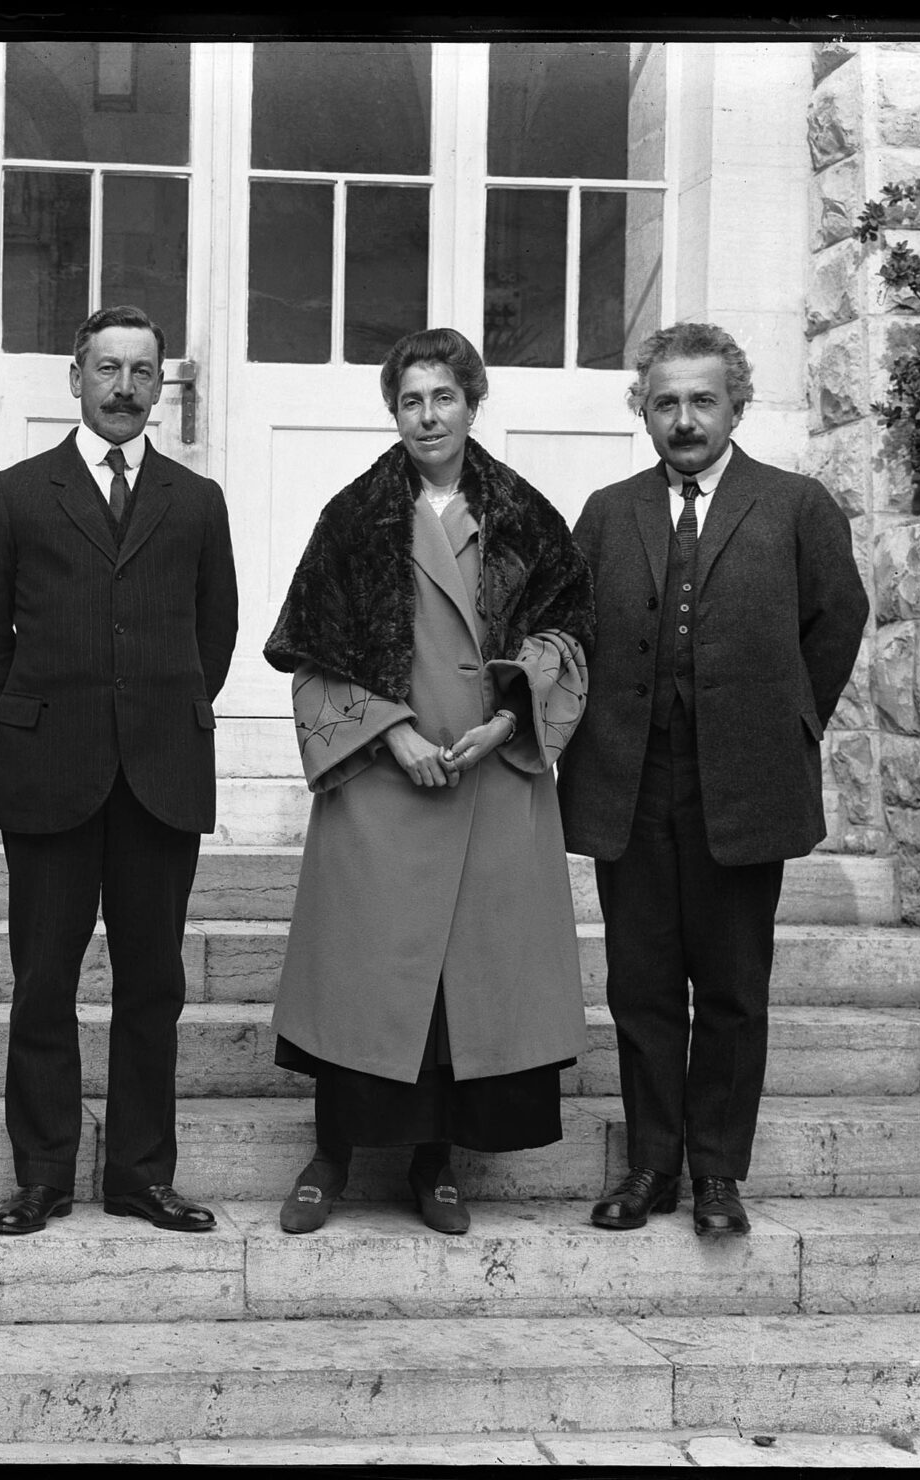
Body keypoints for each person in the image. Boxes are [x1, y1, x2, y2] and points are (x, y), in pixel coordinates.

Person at [261, 328, 594, 1236]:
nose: (428, 415)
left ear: (472, 402)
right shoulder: (354, 515)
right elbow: (310, 650)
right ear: (393, 412)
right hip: (382, 781)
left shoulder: (522, 511)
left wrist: (508, 718)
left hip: (488, 781)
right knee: (362, 979)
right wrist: (390, 731)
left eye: (444, 397)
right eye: (411, 401)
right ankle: (329, 1157)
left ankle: (435, 1166)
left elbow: (569, 634)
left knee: (459, 994)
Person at [558, 322, 868, 1238]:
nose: (684, 418)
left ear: (738, 403)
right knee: (641, 983)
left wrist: (787, 722)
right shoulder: (609, 512)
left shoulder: (795, 505)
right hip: (631, 780)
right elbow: (571, 633)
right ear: (643, 413)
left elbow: (836, 620)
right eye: (666, 402)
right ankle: (652, 1165)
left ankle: (719, 1173)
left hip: (744, 783)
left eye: (702, 400)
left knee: (732, 986)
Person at [0, 305, 240, 1236]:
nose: (124, 388)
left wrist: (163, 716)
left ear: (163, 387)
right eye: (107, 369)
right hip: (50, 776)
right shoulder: (16, 493)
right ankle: (42, 1173)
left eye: (143, 373)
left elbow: (217, 631)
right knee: (45, 980)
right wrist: (28, 725)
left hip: (161, 774)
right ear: (74, 379)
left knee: (153, 985)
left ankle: (139, 1176)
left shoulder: (196, 502)